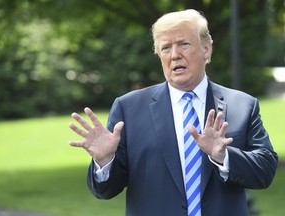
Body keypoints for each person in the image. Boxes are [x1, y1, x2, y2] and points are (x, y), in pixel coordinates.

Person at [68, 9, 278, 216]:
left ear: (206, 49)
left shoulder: (242, 105)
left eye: (183, 44)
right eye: (166, 48)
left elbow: (265, 171)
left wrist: (224, 157)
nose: (175, 55)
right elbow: (106, 191)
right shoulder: (129, 108)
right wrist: (105, 161)